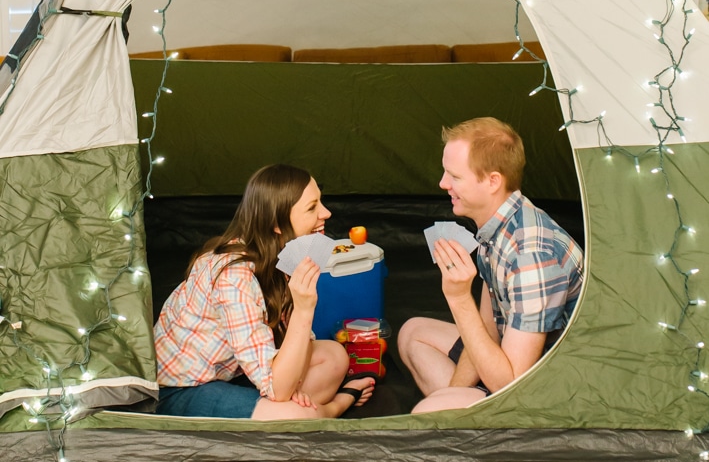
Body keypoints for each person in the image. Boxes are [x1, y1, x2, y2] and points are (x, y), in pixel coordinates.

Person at [154, 163, 376, 420]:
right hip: (185, 388)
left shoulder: (282, 254)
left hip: (238, 371)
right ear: (277, 224)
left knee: (335, 357)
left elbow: (292, 345)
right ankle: (339, 403)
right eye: (312, 207)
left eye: (321, 202)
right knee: (295, 416)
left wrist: (288, 383)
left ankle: (273, 408)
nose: (326, 213)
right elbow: (280, 389)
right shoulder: (233, 276)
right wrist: (304, 309)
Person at [398, 117, 583, 413]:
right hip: (508, 357)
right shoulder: (497, 228)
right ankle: (459, 409)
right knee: (412, 333)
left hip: (546, 390)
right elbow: (487, 328)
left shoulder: (532, 257)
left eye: (455, 176)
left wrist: (458, 298)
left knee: (426, 413)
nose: (443, 183)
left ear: (492, 180)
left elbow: (511, 384)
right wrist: (453, 394)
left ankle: (458, 416)